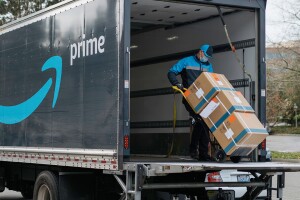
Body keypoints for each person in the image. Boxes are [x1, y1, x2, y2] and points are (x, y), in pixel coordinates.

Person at [167, 44, 213, 161]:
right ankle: (197, 151)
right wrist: (176, 83)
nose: (206, 59)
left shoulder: (208, 66)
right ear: (201, 52)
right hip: (189, 97)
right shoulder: (186, 62)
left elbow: (212, 81)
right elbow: (171, 72)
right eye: (206, 56)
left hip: (203, 99)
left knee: (204, 122)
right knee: (200, 120)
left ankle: (200, 153)